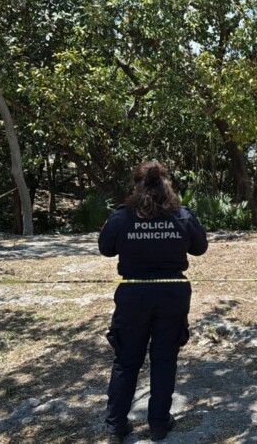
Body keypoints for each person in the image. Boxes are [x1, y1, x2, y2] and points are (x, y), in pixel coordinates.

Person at [98, 161, 208, 443]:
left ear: (137, 185)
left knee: (126, 360)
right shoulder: (182, 215)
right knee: (164, 359)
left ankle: (115, 426)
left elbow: (105, 248)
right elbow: (200, 247)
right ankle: (158, 423)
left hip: (134, 295)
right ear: (166, 184)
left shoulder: (123, 216)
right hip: (172, 294)